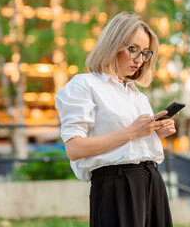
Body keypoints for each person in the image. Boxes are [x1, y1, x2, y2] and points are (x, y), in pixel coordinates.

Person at [55, 11, 178, 227]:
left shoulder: (136, 94)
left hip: (152, 181)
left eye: (145, 53)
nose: (139, 59)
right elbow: (74, 149)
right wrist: (133, 132)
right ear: (113, 44)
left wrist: (154, 133)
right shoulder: (84, 85)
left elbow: (131, 141)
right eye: (133, 49)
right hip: (117, 185)